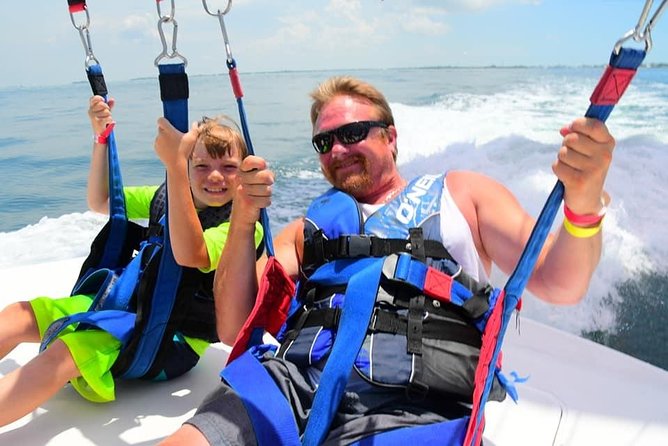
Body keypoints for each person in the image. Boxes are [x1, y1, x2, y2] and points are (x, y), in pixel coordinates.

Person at [161, 75, 615, 445]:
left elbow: (560, 282)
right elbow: (232, 323)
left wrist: (583, 200)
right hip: (287, 386)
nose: (337, 150)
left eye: (353, 133)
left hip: (414, 404)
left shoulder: (463, 194)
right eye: (324, 142)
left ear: (390, 137)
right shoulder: (305, 230)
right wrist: (242, 217)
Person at [0, 95, 263, 427]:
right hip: (128, 306)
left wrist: (175, 169)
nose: (215, 177)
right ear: (186, 166)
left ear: (242, 174)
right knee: (18, 314)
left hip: (171, 339)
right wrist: (101, 139)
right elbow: (102, 201)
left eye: (228, 167)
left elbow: (192, 253)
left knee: (69, 349)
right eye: (200, 166)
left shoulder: (238, 227)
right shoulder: (164, 194)